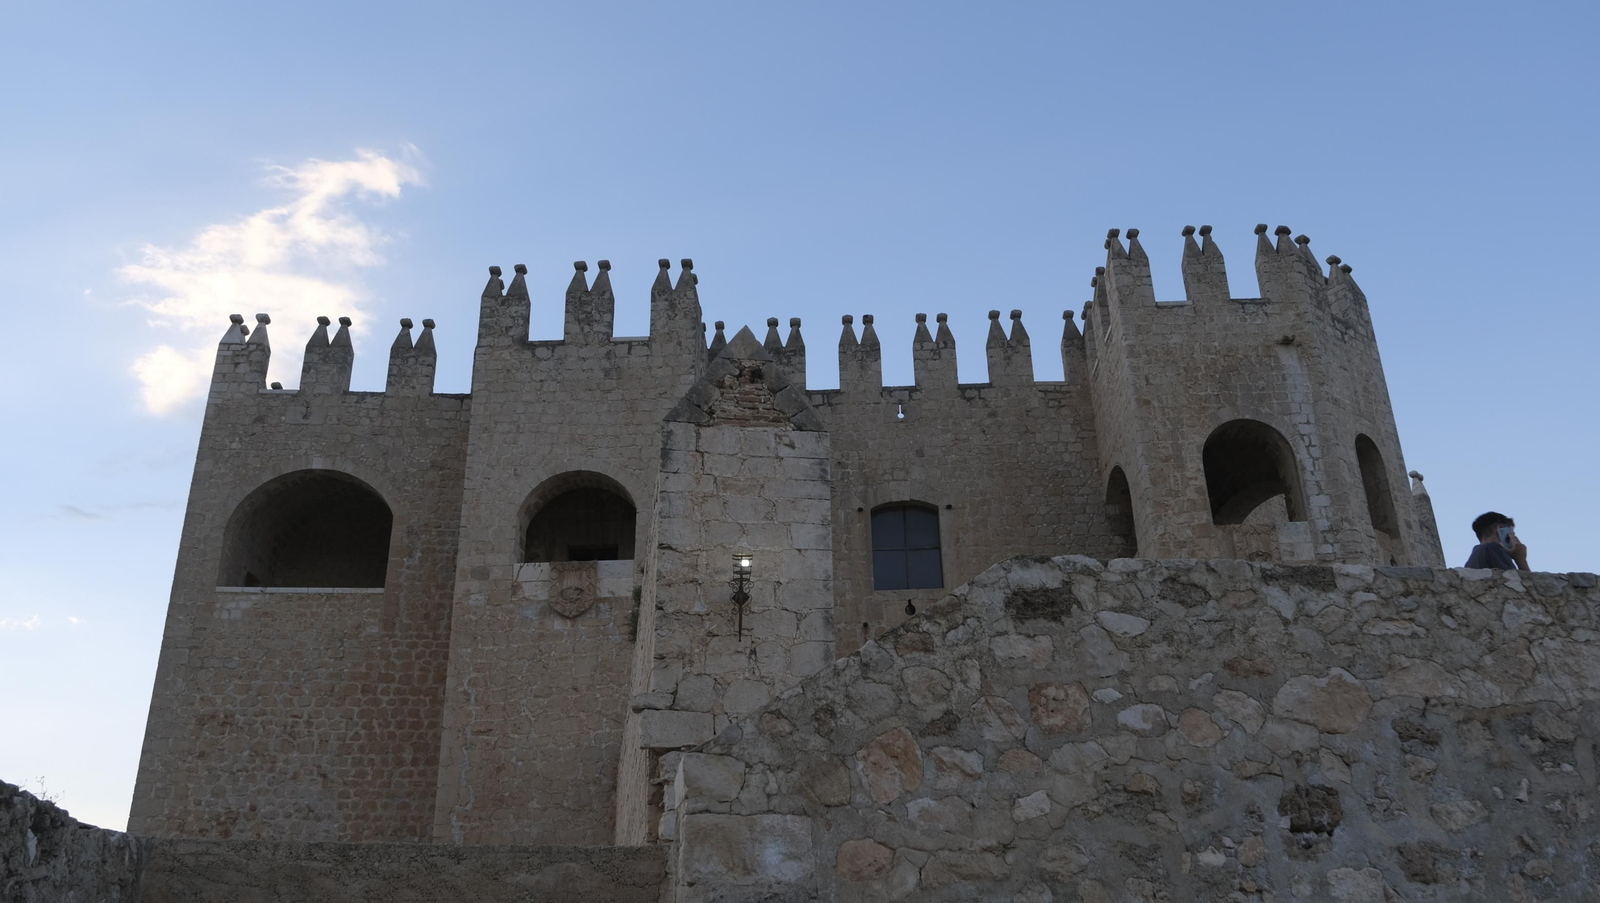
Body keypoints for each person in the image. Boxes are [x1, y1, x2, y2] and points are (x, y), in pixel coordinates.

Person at [1464, 511, 1529, 570]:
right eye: (1511, 532)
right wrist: (1521, 559)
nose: (1514, 536)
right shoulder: (1493, 548)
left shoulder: (1476, 553)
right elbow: (1516, 581)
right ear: (1500, 528)